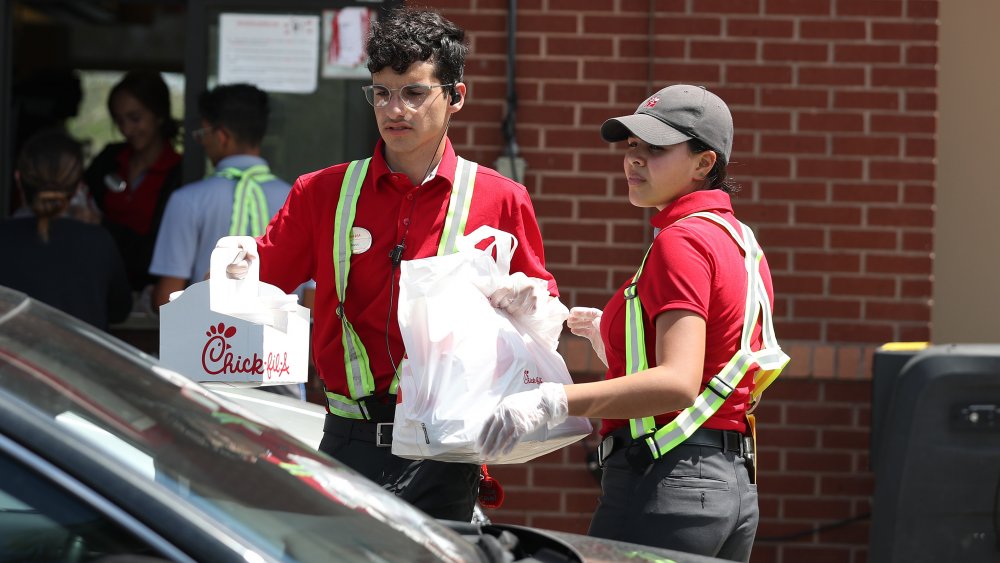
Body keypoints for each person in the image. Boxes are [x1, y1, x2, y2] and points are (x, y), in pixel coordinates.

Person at [216, 6, 557, 521]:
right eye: (381, 92)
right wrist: (229, 266)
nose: (395, 109)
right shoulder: (321, 192)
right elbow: (255, 280)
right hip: (347, 436)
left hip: (446, 445)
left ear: (456, 97)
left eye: (414, 93)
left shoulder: (500, 198)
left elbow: (541, 325)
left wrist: (532, 306)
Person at [477, 85, 789, 561]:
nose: (635, 161)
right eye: (632, 146)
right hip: (729, 486)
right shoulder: (738, 240)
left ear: (705, 163)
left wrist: (552, 400)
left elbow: (678, 381)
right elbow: (712, 363)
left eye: (657, 149)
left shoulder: (680, 242)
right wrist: (613, 338)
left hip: (667, 482)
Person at [148, 83, 305, 400]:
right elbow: (313, 297)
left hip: (206, 363)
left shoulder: (187, 201)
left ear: (220, 135)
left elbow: (166, 299)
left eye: (202, 134)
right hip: (279, 365)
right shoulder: (298, 199)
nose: (202, 144)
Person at [0, 128, 132, 330]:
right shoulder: (98, 241)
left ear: (18, 179)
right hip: (80, 361)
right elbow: (120, 311)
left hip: (12, 361)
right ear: (79, 186)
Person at [83, 70, 183, 295]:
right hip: (98, 284)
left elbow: (160, 249)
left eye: (135, 118)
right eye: (119, 121)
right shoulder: (109, 159)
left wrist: (101, 224)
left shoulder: (179, 173)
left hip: (149, 293)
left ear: (159, 115)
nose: (127, 130)